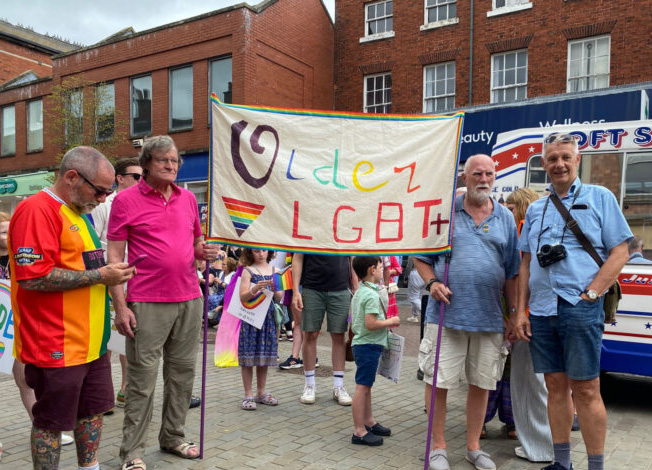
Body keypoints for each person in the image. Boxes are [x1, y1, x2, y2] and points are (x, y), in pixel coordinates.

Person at [8, 146, 135, 470]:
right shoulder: (37, 209)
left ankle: (89, 467)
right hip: (55, 342)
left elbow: (88, 268)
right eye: (101, 190)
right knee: (51, 422)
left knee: (92, 410)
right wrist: (100, 275)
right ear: (72, 177)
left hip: (91, 344)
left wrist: (111, 275)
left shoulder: (79, 213)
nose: (105, 198)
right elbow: (33, 277)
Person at [512, 132, 632, 470]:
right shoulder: (536, 209)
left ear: (577, 160)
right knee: (555, 387)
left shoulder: (599, 197)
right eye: (552, 159)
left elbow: (621, 251)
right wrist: (521, 311)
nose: (559, 164)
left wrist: (592, 293)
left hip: (579, 307)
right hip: (543, 309)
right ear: (544, 164)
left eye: (565, 157)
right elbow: (525, 262)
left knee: (587, 389)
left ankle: (595, 466)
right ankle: (562, 463)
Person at [107, 136, 218, 470]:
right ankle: (132, 453)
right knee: (142, 380)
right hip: (146, 301)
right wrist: (121, 306)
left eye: (175, 161)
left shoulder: (187, 199)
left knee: (182, 375)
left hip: (189, 298)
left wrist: (206, 252)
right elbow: (114, 256)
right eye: (163, 161)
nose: (171, 166)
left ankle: (172, 437)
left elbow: (197, 246)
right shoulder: (124, 201)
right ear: (146, 163)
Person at [414, 154, 520, 470]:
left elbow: (512, 272)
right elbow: (420, 259)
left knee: (482, 384)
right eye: (477, 174)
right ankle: (438, 446)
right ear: (465, 177)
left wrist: (514, 313)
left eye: (489, 174)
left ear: (495, 177)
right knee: (438, 383)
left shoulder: (505, 218)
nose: (483, 179)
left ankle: (474, 447)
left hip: (488, 318)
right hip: (445, 316)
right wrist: (432, 282)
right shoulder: (443, 215)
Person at [503, 188, 555, 463]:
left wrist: (517, 314)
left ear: (522, 208)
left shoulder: (524, 232)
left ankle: (537, 446)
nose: (507, 213)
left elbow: (522, 277)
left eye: (511, 208)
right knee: (546, 385)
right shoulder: (542, 229)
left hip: (529, 316)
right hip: (544, 314)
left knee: (529, 384)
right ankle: (546, 443)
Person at [90, 157, 142, 409]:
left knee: (128, 335)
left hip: (136, 278)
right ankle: (104, 395)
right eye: (137, 177)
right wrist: (109, 268)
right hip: (110, 279)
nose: (142, 181)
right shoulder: (104, 206)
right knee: (108, 337)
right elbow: (94, 241)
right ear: (120, 178)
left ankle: (125, 390)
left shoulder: (142, 204)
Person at [292, 253, 357, 405]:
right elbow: (298, 257)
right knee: (310, 334)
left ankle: (339, 385)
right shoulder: (308, 230)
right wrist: (296, 291)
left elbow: (352, 256)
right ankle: (309, 385)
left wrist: (355, 286)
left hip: (341, 288)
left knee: (339, 335)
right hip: (312, 286)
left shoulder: (344, 230)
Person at [350, 256, 401, 446]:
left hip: (365, 344)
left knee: (366, 385)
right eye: (380, 267)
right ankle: (359, 430)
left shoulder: (362, 290)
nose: (383, 270)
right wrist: (391, 321)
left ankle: (368, 421)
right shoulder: (370, 295)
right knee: (362, 387)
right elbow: (371, 323)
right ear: (372, 270)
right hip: (368, 345)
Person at [238, 249, 282, 410]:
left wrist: (274, 288)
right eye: (257, 251)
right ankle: (248, 394)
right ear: (251, 253)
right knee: (248, 358)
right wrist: (255, 289)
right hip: (251, 319)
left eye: (264, 251)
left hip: (268, 319)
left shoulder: (276, 271)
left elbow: (280, 297)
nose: (261, 254)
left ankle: (261, 392)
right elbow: (242, 296)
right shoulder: (247, 271)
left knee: (263, 357)